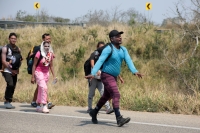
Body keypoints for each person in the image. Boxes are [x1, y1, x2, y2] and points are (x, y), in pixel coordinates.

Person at [85, 30, 143, 127]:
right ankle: (119, 118)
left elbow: (129, 61)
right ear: (112, 39)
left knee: (106, 97)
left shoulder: (123, 50)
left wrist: (135, 71)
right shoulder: (108, 49)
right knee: (116, 94)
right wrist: (93, 73)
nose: (120, 37)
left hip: (114, 76)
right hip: (106, 75)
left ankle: (94, 112)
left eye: (120, 36)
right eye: (117, 36)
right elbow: (100, 61)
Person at [87, 41, 114, 114]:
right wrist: (97, 70)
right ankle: (89, 108)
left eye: (103, 47)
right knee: (91, 93)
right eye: (100, 47)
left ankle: (108, 108)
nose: (102, 48)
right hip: (93, 77)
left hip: (101, 78)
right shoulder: (93, 54)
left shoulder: (106, 56)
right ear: (97, 47)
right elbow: (92, 64)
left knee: (103, 93)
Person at [30, 33, 55, 109]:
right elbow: (34, 61)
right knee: (43, 87)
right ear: (43, 39)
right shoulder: (38, 49)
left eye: (49, 39)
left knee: (40, 87)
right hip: (38, 71)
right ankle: (46, 103)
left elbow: (51, 63)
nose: (49, 40)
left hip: (45, 72)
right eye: (47, 39)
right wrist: (33, 76)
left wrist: (54, 75)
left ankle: (36, 102)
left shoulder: (49, 48)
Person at [1, 32, 23, 109]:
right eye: (12, 38)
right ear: (9, 39)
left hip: (15, 70)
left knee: (13, 85)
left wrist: (17, 70)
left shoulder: (18, 49)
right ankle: (7, 100)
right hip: (6, 69)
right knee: (10, 84)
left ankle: (9, 100)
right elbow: (3, 61)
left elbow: (19, 60)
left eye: (15, 38)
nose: (13, 40)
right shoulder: (5, 48)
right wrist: (11, 70)